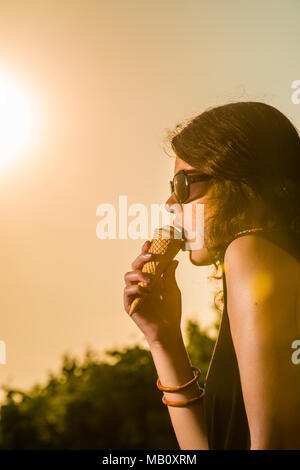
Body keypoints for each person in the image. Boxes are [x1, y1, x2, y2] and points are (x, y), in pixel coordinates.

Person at [123, 101, 300, 450]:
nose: (170, 203)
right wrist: (164, 340)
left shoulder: (252, 252)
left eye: (183, 183)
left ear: (240, 182)